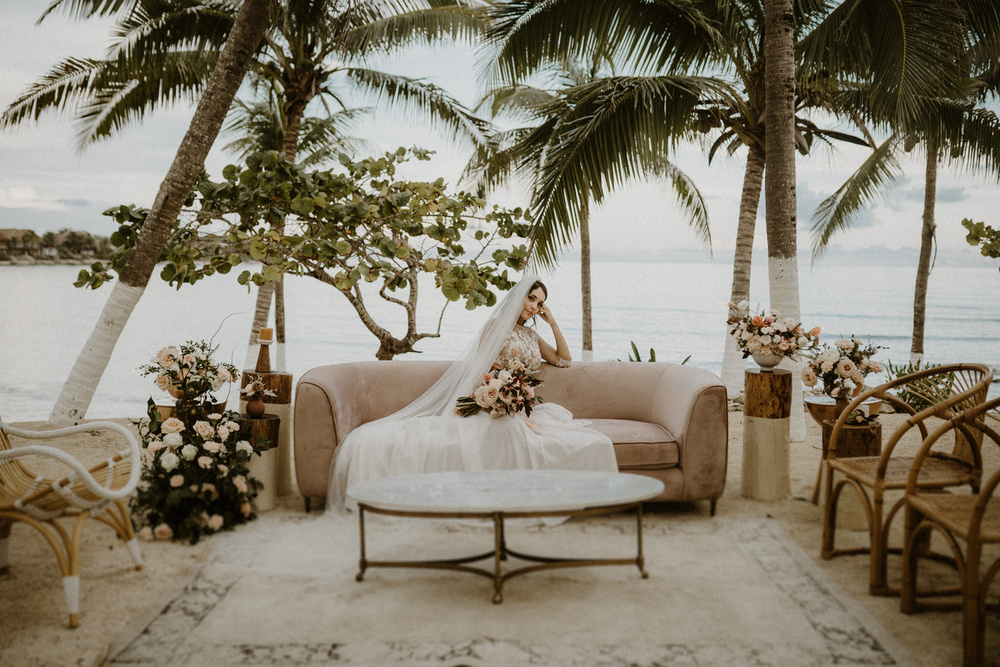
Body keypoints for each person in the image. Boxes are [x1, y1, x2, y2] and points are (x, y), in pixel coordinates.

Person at [326, 274, 618, 512]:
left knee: (579, 440)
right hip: (492, 402)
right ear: (519, 297)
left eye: (539, 303)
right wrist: (498, 398)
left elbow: (563, 360)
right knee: (509, 434)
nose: (534, 306)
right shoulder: (495, 326)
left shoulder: (531, 334)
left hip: (518, 403)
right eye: (531, 298)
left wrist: (552, 323)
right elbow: (481, 370)